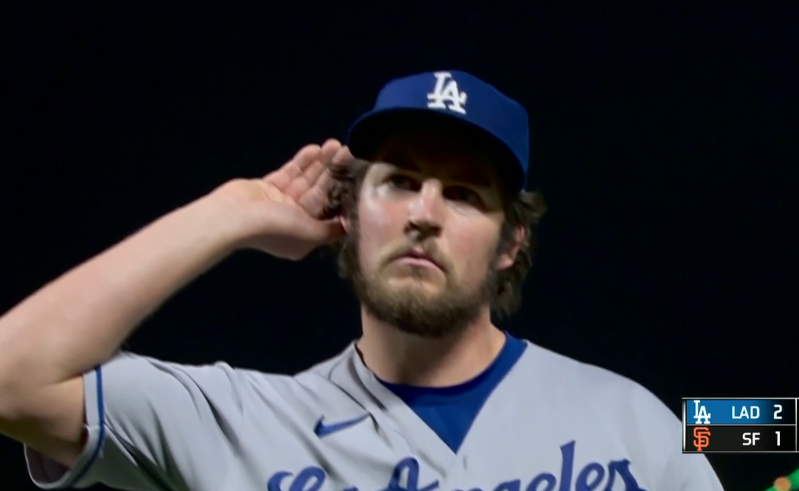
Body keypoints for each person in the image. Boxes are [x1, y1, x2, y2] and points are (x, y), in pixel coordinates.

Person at [0, 70, 724, 491]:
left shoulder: (635, 424)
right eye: (399, 182)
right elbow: (11, 379)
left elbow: (777, 429)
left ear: (512, 243)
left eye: (464, 194)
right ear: (347, 211)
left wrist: (785, 432)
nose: (424, 214)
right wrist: (232, 212)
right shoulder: (241, 424)